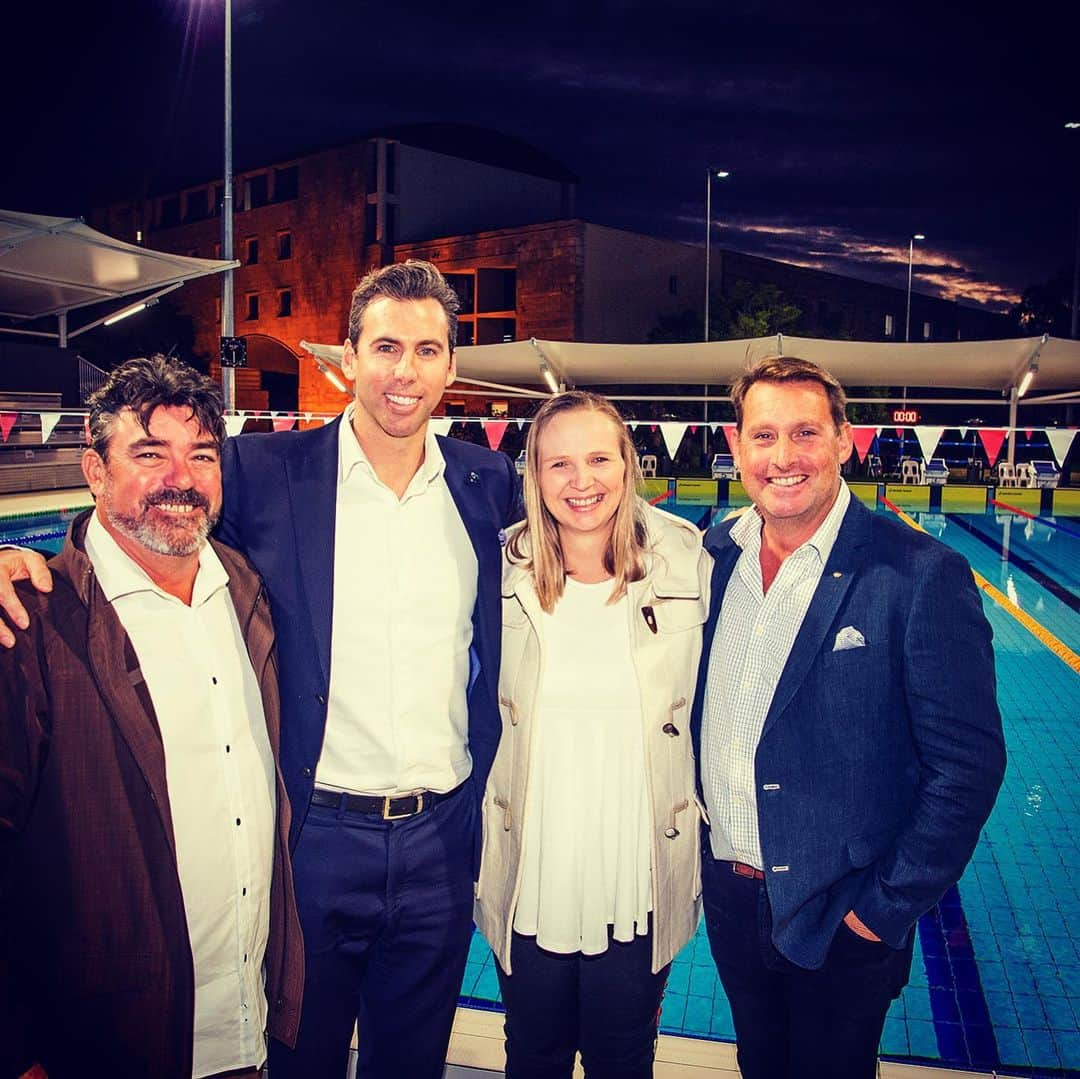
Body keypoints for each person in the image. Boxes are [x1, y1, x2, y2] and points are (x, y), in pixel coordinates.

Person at [0, 260, 519, 1078]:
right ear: (346, 356)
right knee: (296, 1058)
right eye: (384, 346)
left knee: (412, 1061)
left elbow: (581, 537)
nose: (404, 371)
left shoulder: (486, 482)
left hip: (438, 839)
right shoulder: (263, 470)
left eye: (427, 350)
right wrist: (23, 561)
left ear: (452, 365)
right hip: (311, 836)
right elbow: (154, 508)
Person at [691, 356, 1006, 1079]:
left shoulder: (918, 574)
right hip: (735, 902)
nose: (783, 457)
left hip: (844, 917)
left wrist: (880, 911)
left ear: (843, 441)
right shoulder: (713, 558)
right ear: (736, 448)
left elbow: (967, 766)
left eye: (805, 432)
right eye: (763, 435)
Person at [0, 355, 303, 1079]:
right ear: (95, 472)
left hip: (242, 1030)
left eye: (200, 454)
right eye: (149, 453)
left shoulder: (245, 592)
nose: (181, 477)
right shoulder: (33, 626)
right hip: (106, 1042)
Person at [474, 391, 710, 1078]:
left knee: (623, 1058)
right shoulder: (499, 570)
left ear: (628, 463)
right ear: (535, 476)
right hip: (532, 868)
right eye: (560, 464)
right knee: (534, 1055)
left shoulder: (685, 563)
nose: (583, 482)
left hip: (632, 870)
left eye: (600, 458)